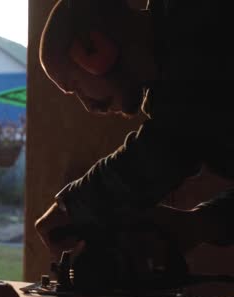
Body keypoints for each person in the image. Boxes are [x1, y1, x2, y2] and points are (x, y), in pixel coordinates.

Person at [35, 0, 234, 258]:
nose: (89, 106)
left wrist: (72, 208)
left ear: (93, 50)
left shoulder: (200, 25)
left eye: (76, 87)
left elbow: (166, 149)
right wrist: (198, 225)